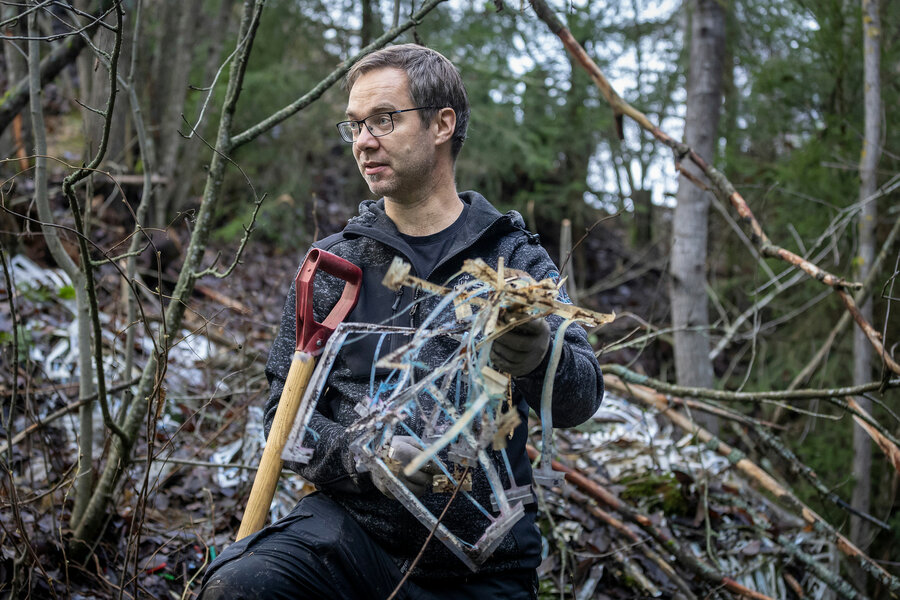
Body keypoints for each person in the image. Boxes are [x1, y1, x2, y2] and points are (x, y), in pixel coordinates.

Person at [199, 43, 603, 600]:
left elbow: (581, 401)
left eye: (384, 119)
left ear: (443, 124)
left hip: (483, 565)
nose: (364, 142)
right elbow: (283, 422)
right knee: (241, 586)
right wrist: (366, 460)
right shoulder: (335, 266)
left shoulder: (515, 262)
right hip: (348, 541)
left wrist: (539, 357)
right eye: (355, 126)